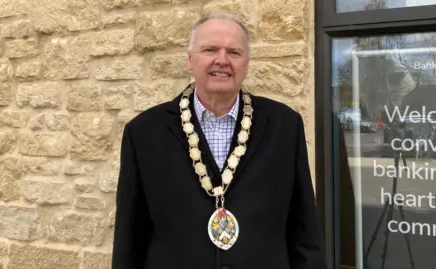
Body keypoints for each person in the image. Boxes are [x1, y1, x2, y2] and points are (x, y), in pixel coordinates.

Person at [111, 12, 327, 269]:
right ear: (190, 60)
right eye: (210, 49)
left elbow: (304, 230)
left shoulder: (285, 126)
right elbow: (130, 237)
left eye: (234, 52)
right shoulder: (144, 132)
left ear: (246, 63)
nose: (222, 60)